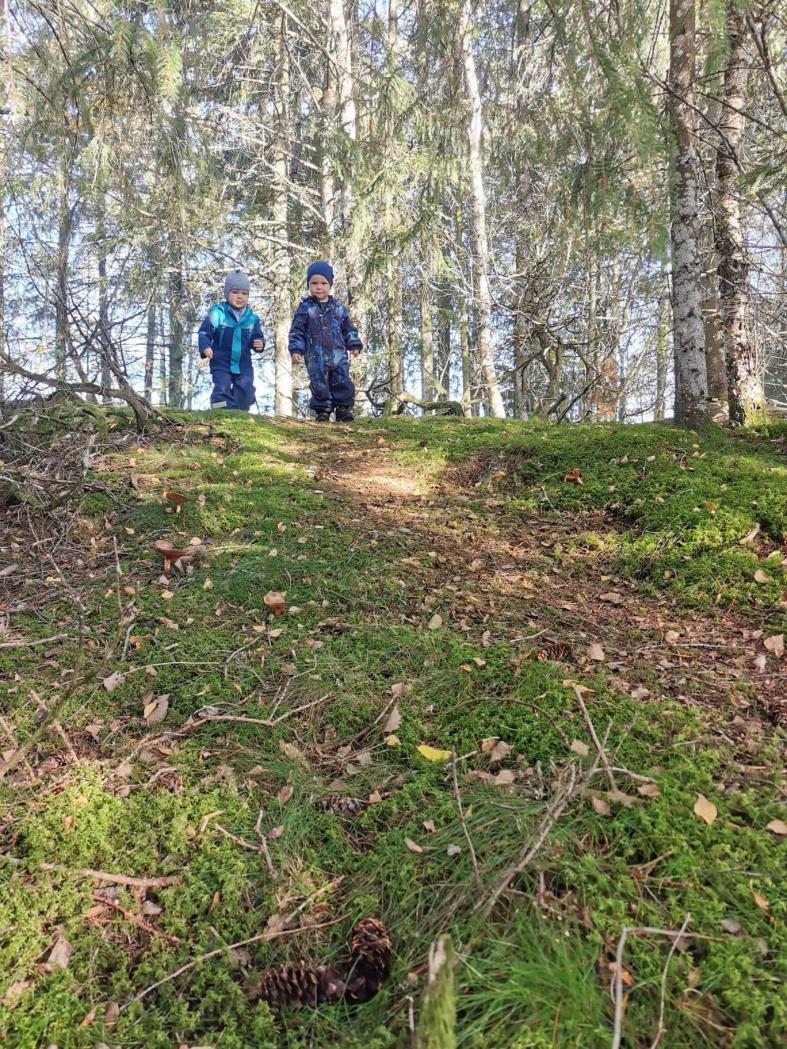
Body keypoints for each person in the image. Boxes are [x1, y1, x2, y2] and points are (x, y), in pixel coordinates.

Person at [288, 261, 362, 422]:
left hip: (338, 354)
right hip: (315, 355)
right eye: (314, 283)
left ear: (330, 285)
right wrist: (296, 350)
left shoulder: (337, 307)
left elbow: (348, 328)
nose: (319, 287)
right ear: (309, 285)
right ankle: (323, 410)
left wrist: (354, 344)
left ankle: (343, 409)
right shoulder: (305, 308)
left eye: (323, 283)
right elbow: (297, 331)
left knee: (341, 379)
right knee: (319, 383)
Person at [198, 271, 265, 411]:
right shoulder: (217, 313)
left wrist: (259, 343)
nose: (240, 296)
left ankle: (239, 415)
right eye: (235, 292)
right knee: (222, 390)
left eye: (244, 293)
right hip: (221, 362)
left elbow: (257, 336)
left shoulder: (252, 318)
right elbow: (205, 332)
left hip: (243, 364)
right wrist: (205, 347)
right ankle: (218, 412)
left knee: (246, 394)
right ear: (227, 293)